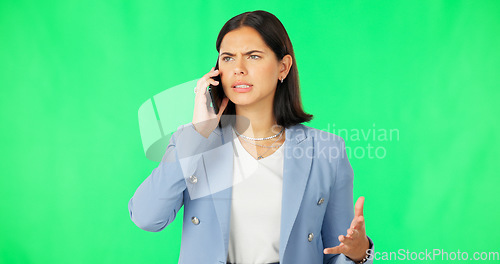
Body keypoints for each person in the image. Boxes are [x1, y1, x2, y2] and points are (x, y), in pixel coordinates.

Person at [128, 10, 374, 264]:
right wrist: (198, 133)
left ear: (283, 67)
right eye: (228, 58)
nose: (238, 69)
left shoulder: (325, 150)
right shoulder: (194, 142)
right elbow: (146, 218)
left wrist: (359, 253)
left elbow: (338, 251)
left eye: (253, 56)